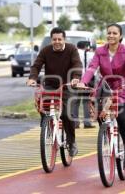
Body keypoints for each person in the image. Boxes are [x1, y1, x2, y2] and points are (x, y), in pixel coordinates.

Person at [76, 23, 125, 169]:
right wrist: (83, 81)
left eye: (114, 33)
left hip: (123, 87)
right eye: (109, 33)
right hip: (105, 87)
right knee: (101, 115)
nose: (111, 35)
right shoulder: (100, 51)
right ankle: (106, 134)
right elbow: (92, 67)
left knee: (121, 117)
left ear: (120, 36)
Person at [27, 27, 82, 157]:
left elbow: (77, 64)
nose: (57, 41)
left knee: (67, 114)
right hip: (51, 85)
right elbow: (36, 66)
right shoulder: (46, 51)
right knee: (42, 103)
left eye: (59, 39)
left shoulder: (71, 49)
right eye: (54, 39)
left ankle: (71, 142)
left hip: (68, 85)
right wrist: (32, 78)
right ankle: (48, 123)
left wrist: (76, 77)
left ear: (64, 39)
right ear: (51, 40)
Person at [72, 41, 96, 129]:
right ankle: (87, 123)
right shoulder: (90, 54)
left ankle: (75, 123)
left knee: (75, 102)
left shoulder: (73, 54)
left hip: (75, 80)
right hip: (87, 81)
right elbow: (94, 68)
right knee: (86, 101)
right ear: (86, 46)